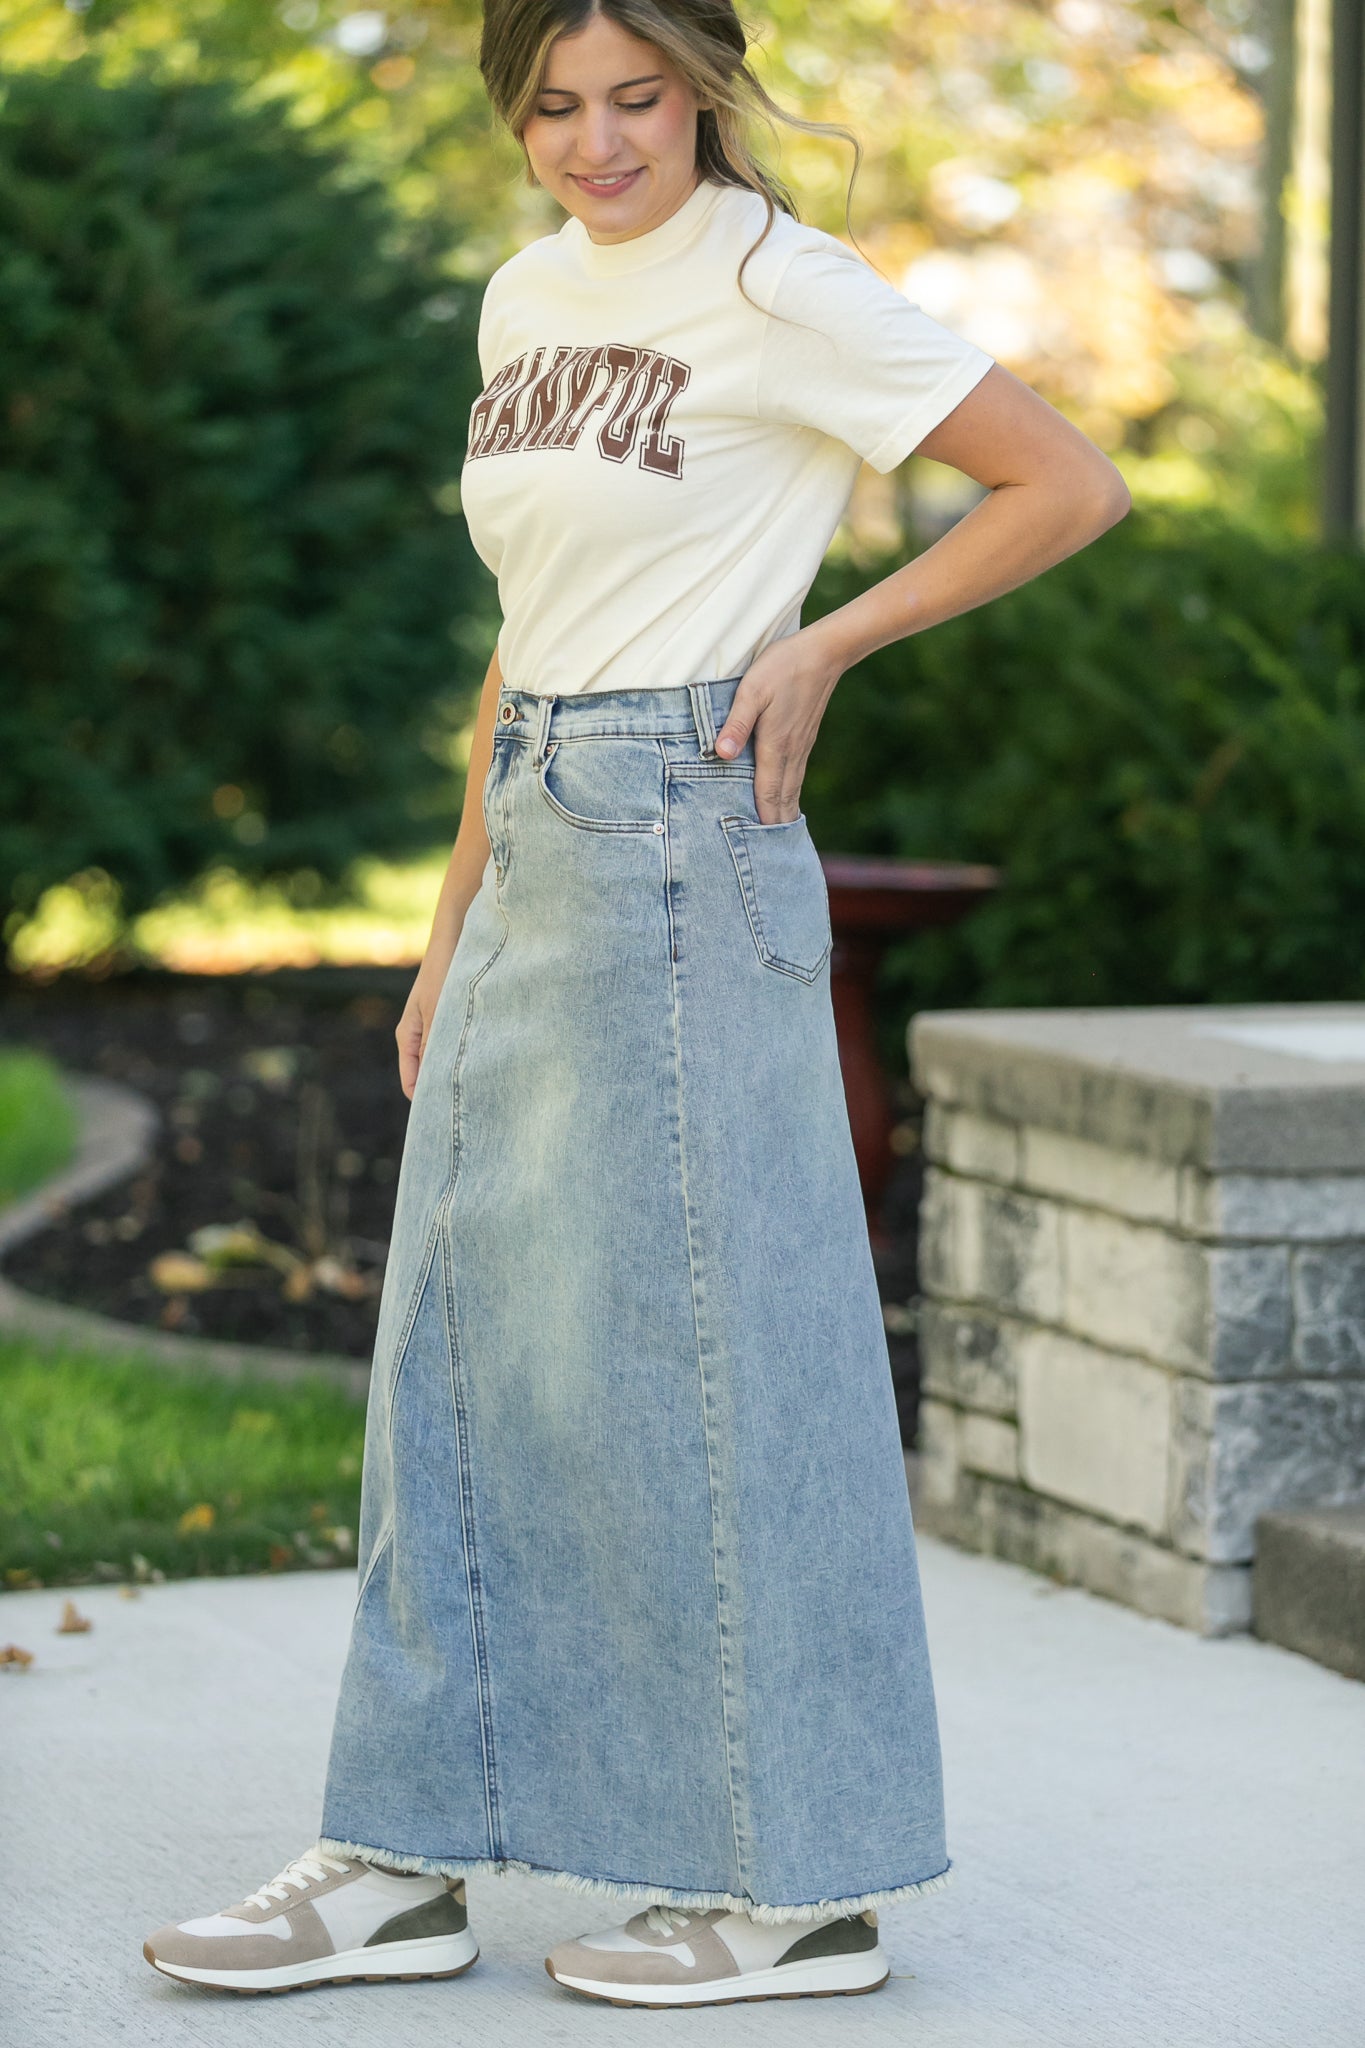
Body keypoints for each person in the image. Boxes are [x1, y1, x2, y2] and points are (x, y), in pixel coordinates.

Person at [142, 0, 1129, 2011]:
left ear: (704, 91)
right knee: (452, 1363)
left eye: (635, 100)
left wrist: (825, 645)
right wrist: (449, 924)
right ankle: (403, 1854)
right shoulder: (522, 301)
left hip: (684, 827)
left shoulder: (781, 283)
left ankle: (795, 1890)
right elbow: (523, 639)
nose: (595, 144)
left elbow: (1061, 482)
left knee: (714, 1369)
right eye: (553, 109)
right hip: (537, 835)